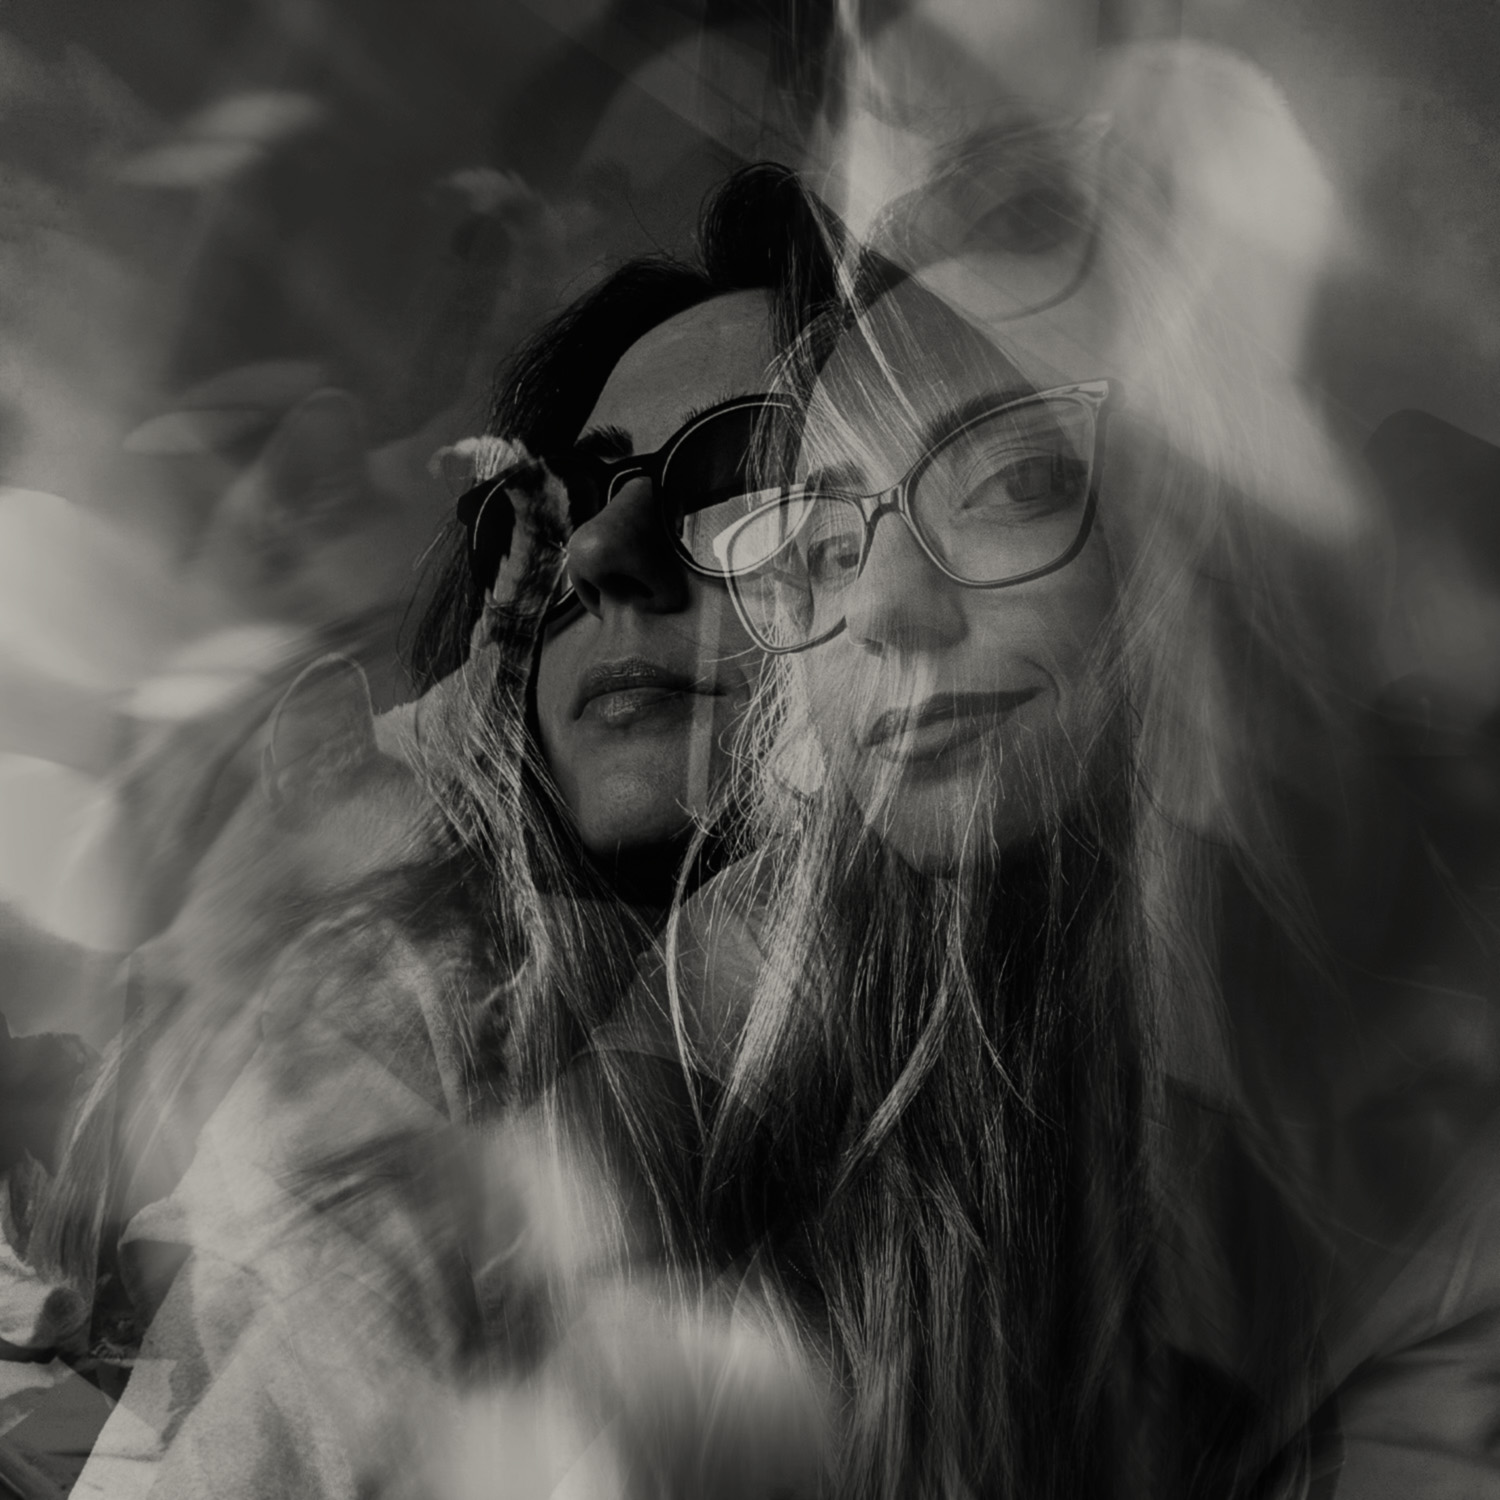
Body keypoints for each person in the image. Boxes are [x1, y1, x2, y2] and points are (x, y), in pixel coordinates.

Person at [41, 162, 845, 1498]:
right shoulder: (371, 1041)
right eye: (577, 492)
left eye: (746, 479)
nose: (601, 551)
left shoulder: (969, 1240)